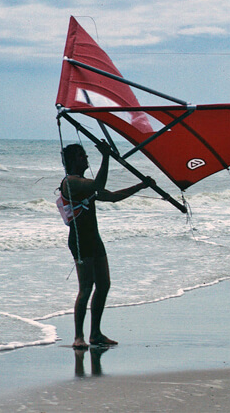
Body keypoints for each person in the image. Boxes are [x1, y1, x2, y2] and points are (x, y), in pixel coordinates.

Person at [60, 142, 153, 349]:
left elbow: (110, 197)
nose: (86, 158)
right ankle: (78, 336)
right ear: (73, 160)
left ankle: (95, 333)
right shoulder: (71, 183)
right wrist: (106, 156)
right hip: (80, 240)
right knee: (85, 288)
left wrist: (141, 185)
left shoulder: (83, 183)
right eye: (82, 156)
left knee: (104, 284)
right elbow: (98, 186)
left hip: (94, 238)